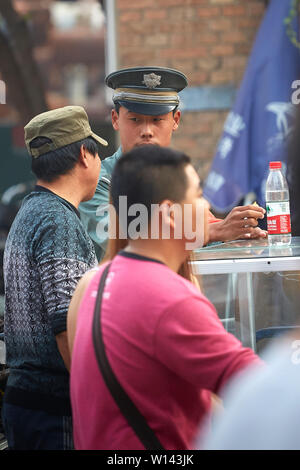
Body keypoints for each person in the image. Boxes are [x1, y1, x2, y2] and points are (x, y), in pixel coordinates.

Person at [67, 145, 262, 450]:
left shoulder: (93, 283)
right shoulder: (171, 299)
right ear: (171, 214)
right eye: (198, 194)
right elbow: (259, 387)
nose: (206, 204)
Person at [79, 66, 267, 261]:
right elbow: (120, 241)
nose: (147, 131)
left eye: (157, 120)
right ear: (115, 119)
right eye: (135, 119)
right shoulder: (100, 182)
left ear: (175, 120)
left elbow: (208, 225)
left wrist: (238, 234)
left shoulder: (181, 178)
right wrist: (211, 233)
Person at [2, 105, 108, 450]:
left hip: (27, 406)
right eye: (97, 152)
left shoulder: (31, 210)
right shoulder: (58, 222)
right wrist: (98, 402)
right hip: (54, 414)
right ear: (83, 154)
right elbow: (67, 326)